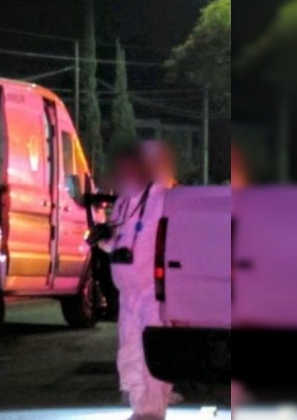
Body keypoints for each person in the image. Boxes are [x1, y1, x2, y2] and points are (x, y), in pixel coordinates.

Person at [103, 144, 172, 420]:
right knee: (129, 345)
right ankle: (138, 404)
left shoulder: (164, 198)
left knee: (151, 348)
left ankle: (152, 409)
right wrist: (103, 239)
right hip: (127, 291)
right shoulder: (123, 201)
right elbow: (115, 242)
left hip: (152, 292)